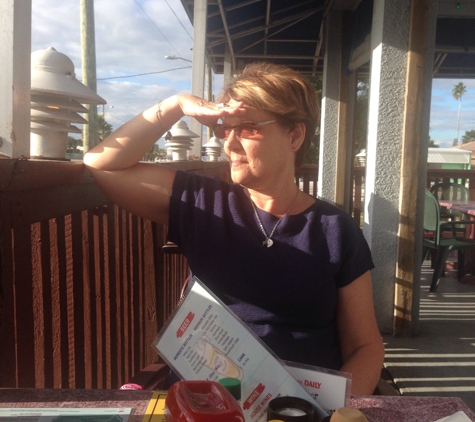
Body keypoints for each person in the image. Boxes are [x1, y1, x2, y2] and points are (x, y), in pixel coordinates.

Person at [84, 62, 384, 395]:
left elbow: (365, 347)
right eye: (225, 128)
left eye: (247, 127)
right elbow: (102, 165)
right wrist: (177, 105)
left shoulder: (335, 231)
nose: (230, 144)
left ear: (295, 135)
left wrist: (335, 411)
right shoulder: (202, 203)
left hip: (301, 409)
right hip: (205, 404)